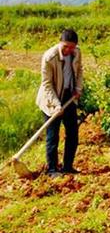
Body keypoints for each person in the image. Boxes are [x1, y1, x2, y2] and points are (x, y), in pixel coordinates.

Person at [36, 29, 83, 176]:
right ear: (60, 42)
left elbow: (80, 70)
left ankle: (68, 167)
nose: (69, 50)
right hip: (51, 99)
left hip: (69, 96)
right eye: (66, 47)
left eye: (72, 47)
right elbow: (47, 84)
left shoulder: (77, 52)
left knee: (73, 133)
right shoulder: (49, 57)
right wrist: (56, 105)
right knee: (52, 135)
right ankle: (52, 170)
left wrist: (78, 88)